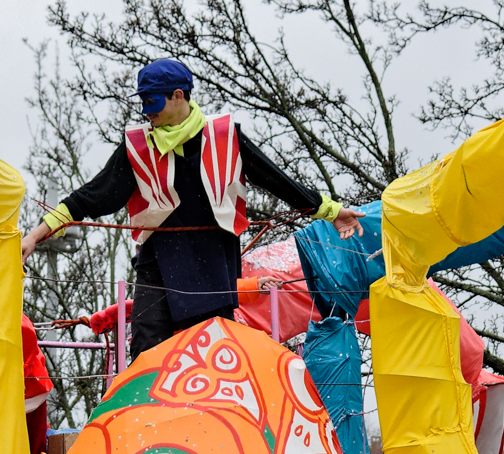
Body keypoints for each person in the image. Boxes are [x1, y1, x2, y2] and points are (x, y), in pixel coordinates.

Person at [19, 58, 362, 357]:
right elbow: (91, 196)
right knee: (146, 351)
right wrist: (36, 236)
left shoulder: (225, 137)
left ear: (178, 96)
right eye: (143, 102)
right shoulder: (137, 146)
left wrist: (333, 212)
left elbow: (278, 181)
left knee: (211, 355)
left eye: (152, 101)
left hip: (213, 264)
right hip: (157, 264)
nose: (147, 111)